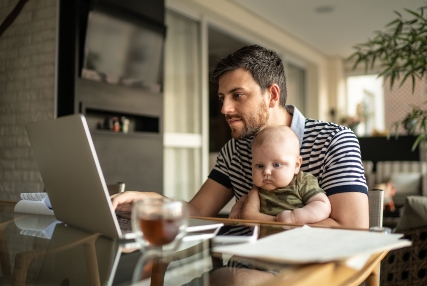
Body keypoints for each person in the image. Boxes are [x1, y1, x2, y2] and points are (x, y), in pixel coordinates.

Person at [111, 44, 369, 229]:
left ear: (272, 96)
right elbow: (199, 211)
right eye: (223, 98)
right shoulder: (233, 152)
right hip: (248, 270)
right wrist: (155, 201)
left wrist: (264, 222)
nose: (225, 109)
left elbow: (354, 229)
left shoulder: (334, 140)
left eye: (238, 95)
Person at [229, 125, 331, 224]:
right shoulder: (259, 189)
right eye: (260, 166)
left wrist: (294, 217)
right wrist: (236, 210)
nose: (266, 172)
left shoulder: (302, 181)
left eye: (276, 165)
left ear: (296, 165)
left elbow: (322, 205)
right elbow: (243, 200)